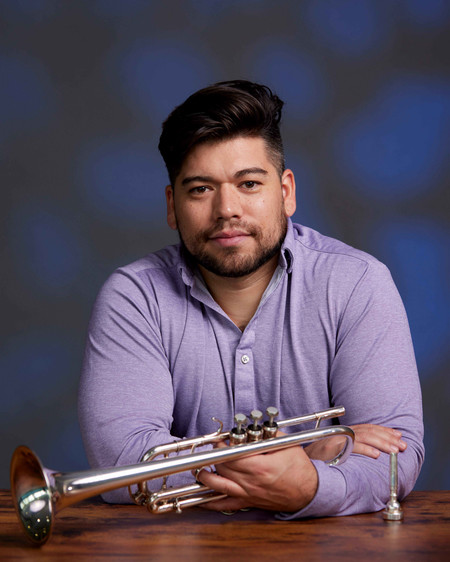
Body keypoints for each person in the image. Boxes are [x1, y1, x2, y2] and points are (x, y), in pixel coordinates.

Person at [78, 80, 424, 517]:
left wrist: (309, 488)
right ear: (172, 206)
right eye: (201, 189)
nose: (227, 209)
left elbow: (396, 455)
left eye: (248, 183)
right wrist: (305, 450)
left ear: (286, 192)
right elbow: (121, 463)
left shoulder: (358, 284)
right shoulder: (134, 298)